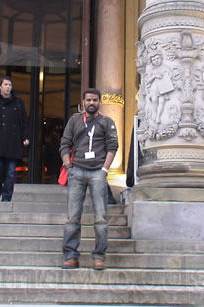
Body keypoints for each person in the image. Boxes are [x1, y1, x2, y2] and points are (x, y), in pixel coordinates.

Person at [60, 88, 118, 271]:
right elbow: (64, 144)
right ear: (83, 102)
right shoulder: (75, 120)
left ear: (99, 102)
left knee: (101, 216)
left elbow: (112, 146)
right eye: (88, 100)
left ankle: (99, 256)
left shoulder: (106, 122)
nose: (91, 103)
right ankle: (71, 255)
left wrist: (104, 170)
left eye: (95, 100)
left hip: (97, 173)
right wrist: (68, 166)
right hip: (77, 171)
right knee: (72, 217)